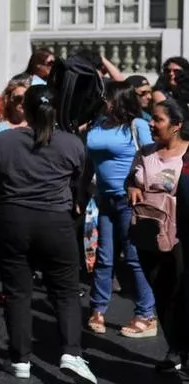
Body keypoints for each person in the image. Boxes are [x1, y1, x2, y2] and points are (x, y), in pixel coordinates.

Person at [0, 85, 95, 382]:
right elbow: (78, 186)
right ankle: (71, 352)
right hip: (55, 222)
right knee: (66, 291)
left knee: (18, 293)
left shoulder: (3, 140)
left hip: (13, 219)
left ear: (25, 109)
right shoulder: (72, 143)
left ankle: (20, 360)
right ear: (57, 110)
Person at [86, 80, 158, 338]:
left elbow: (151, 160)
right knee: (103, 258)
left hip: (131, 201)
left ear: (119, 99)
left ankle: (146, 314)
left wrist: (137, 185)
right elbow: (88, 162)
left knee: (134, 258)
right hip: (103, 200)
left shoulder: (136, 126)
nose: (103, 101)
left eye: (107, 97)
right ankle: (98, 309)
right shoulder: (96, 124)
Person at [128, 99, 189, 373]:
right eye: (151, 118)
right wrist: (131, 187)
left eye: (158, 119)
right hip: (148, 234)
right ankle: (176, 349)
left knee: (183, 295)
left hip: (181, 238)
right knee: (162, 294)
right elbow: (132, 179)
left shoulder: (187, 156)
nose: (151, 124)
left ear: (176, 126)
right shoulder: (145, 152)